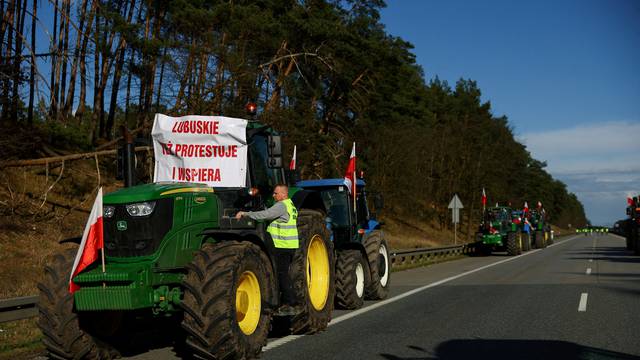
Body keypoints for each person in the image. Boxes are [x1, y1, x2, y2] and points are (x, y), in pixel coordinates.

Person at [235, 184, 299, 310]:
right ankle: (286, 301)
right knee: (283, 273)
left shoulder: (281, 205)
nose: (273, 195)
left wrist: (245, 214)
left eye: (276, 193)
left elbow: (266, 215)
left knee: (281, 274)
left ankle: (290, 302)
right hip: (289, 245)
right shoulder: (290, 205)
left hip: (282, 245)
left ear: (284, 194)